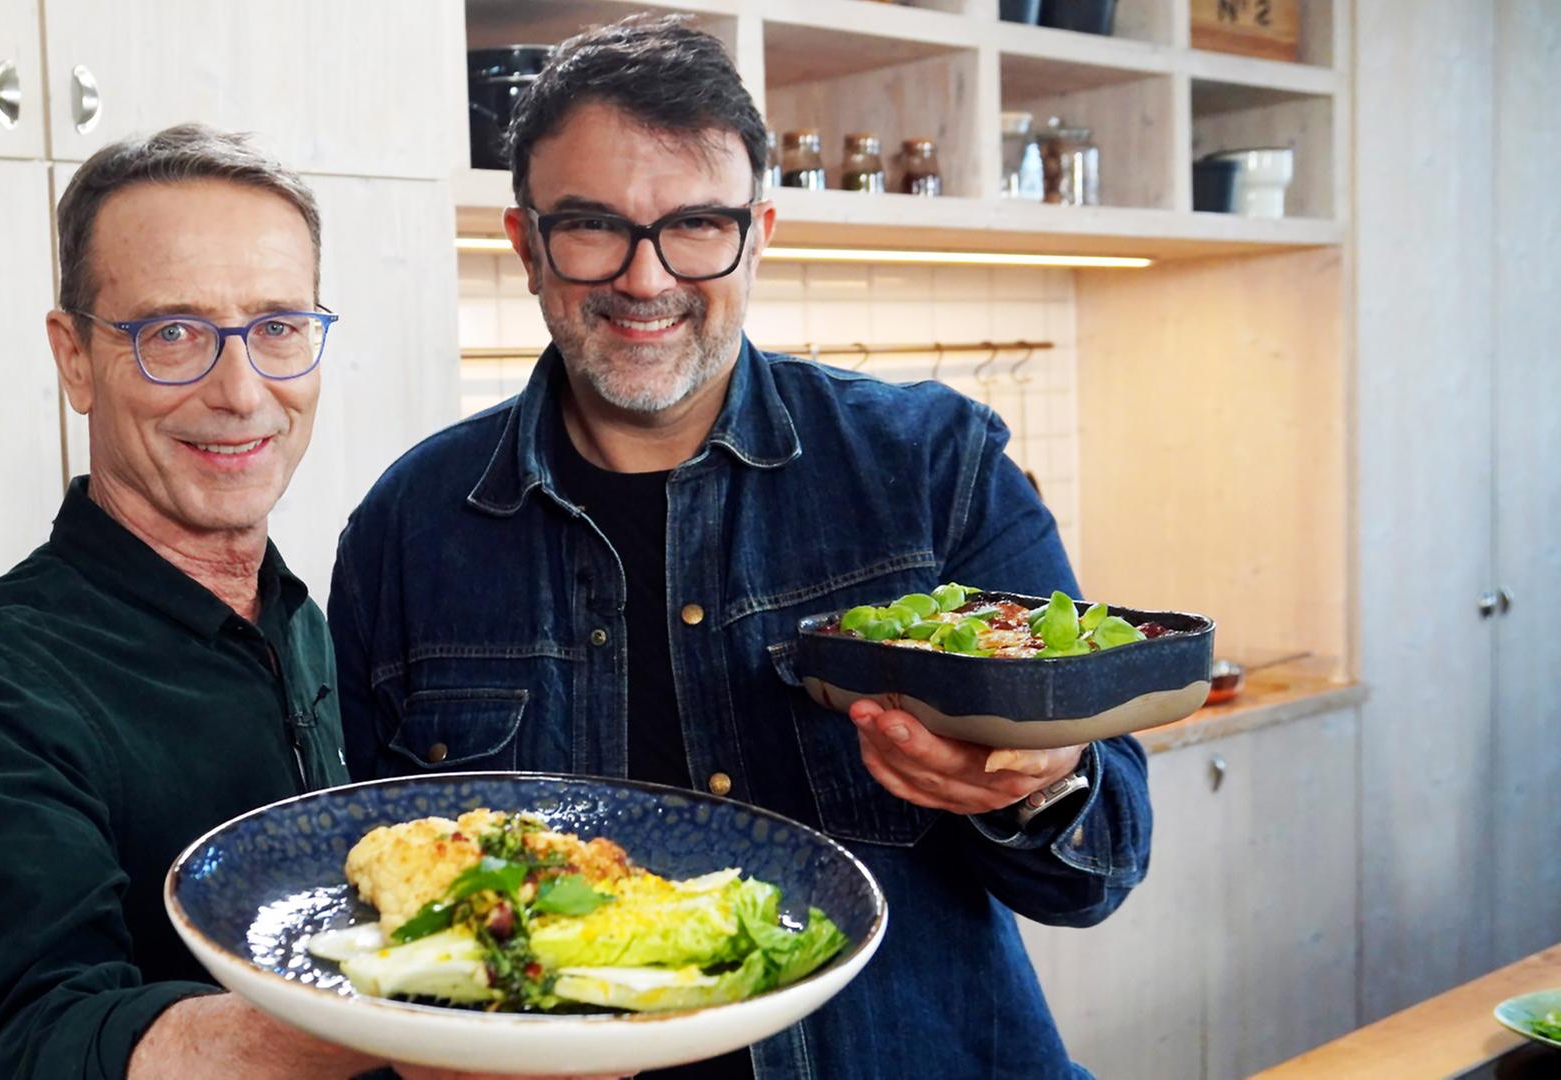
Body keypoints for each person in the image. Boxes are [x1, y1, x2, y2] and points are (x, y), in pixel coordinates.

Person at [329, 18, 1153, 1080]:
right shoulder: (406, 530)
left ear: (757, 235)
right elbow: (361, 899)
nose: (645, 278)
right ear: (527, 244)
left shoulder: (935, 466)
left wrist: (1037, 781)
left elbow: (1100, 869)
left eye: (696, 225)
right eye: (592, 226)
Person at [0, 124, 598, 1080]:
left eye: (278, 327)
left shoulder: (299, 622)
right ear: (75, 358)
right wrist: (417, 1008)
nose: (242, 391)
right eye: (172, 333)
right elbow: (32, 1045)